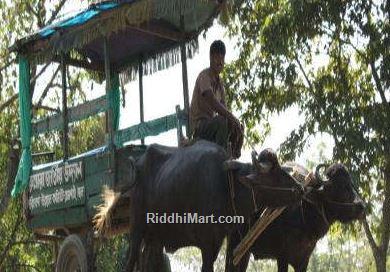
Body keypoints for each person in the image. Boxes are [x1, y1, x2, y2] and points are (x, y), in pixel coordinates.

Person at [189, 40, 243, 158]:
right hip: (200, 128)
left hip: (214, 127)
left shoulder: (220, 84)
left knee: (237, 126)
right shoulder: (204, 76)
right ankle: (220, 159)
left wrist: (235, 123)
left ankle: (233, 157)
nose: (220, 61)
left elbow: (224, 108)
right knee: (223, 121)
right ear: (211, 57)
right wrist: (230, 117)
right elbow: (211, 100)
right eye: (217, 57)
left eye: (222, 57)